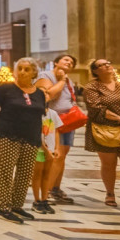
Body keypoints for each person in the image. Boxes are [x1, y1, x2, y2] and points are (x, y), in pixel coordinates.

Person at [0, 58, 46, 224]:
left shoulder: (39, 93)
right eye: (19, 68)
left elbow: (41, 113)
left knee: (24, 173)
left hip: (31, 136)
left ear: (34, 72)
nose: (22, 72)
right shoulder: (5, 89)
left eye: (26, 69)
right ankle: (3, 207)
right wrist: (6, 121)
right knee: (6, 172)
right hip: (8, 135)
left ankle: (17, 206)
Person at [84, 58, 120, 208]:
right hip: (105, 129)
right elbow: (95, 108)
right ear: (95, 71)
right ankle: (110, 194)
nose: (107, 65)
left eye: (108, 63)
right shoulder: (92, 87)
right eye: (101, 65)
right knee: (109, 164)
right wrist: (119, 118)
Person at [36, 54, 78, 205]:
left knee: (62, 156)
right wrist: (61, 81)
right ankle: (46, 190)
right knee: (54, 155)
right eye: (66, 60)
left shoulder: (69, 80)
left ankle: (55, 188)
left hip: (66, 121)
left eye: (71, 62)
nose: (69, 62)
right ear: (55, 62)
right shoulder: (45, 76)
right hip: (52, 121)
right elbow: (48, 96)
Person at [32, 99, 62, 214]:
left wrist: (57, 148)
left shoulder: (53, 113)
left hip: (50, 149)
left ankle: (44, 199)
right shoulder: (35, 113)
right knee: (37, 174)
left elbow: (57, 131)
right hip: (38, 149)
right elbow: (36, 133)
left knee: (46, 175)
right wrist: (45, 150)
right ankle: (37, 201)